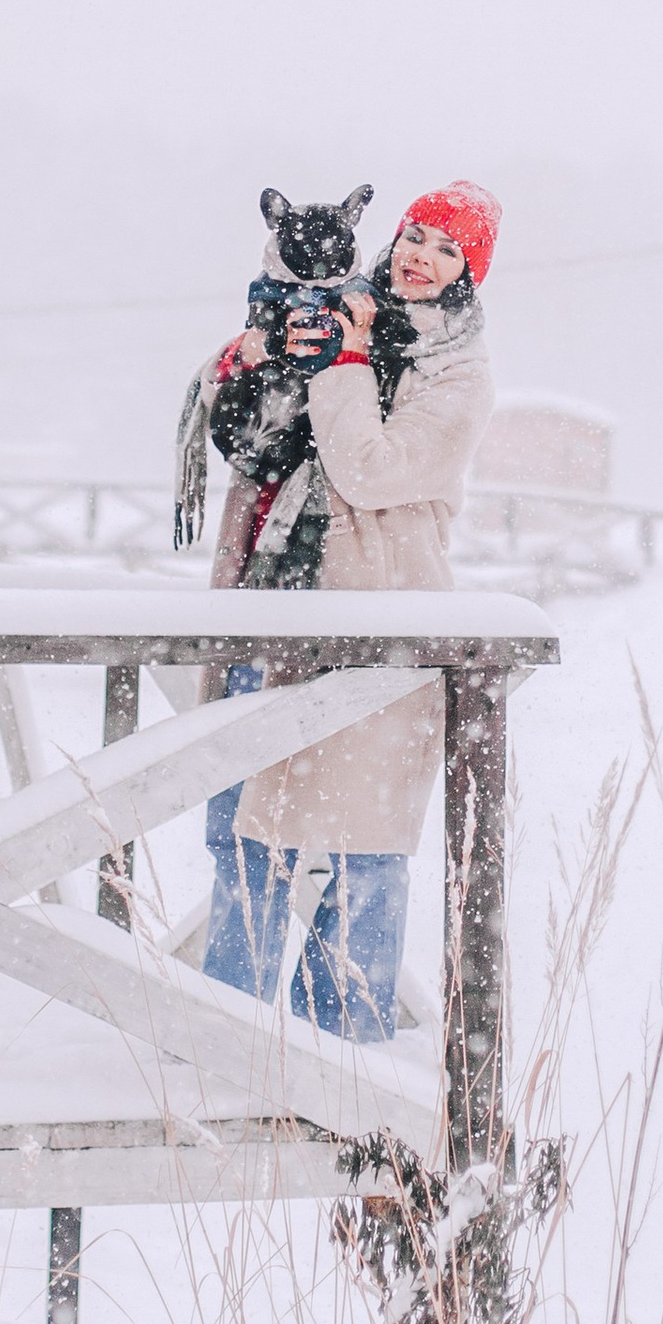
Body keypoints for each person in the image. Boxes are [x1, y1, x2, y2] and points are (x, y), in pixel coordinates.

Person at [199, 181, 499, 1039]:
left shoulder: (460, 379)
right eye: (416, 235)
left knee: (365, 857)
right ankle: (226, 1037)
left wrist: (344, 360)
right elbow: (253, 425)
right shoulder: (338, 311)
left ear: (469, 274)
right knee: (244, 840)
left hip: (386, 624)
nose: (422, 255)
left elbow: (366, 468)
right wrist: (263, 350)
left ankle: (344, 1053)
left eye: (449, 248)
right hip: (277, 604)